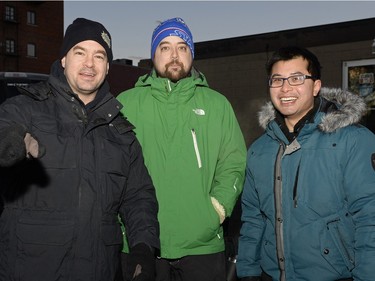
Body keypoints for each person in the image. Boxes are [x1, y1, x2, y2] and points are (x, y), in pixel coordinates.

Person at [0, 18, 159, 281]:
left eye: (99, 56)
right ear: (64, 59)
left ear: (107, 67)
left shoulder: (121, 133)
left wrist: (143, 249)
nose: (89, 63)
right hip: (30, 270)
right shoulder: (24, 110)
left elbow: (139, 197)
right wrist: (9, 139)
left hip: (99, 271)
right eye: (80, 52)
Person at [117, 17, 247, 281]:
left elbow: (233, 163)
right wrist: (122, 224)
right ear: (153, 55)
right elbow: (112, 170)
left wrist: (216, 211)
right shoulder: (126, 103)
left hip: (203, 244)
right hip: (141, 245)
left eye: (182, 47)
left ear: (191, 54)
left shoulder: (216, 104)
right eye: (165, 47)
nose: (174, 55)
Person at [236, 46, 375, 281]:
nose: (285, 88)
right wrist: (248, 271)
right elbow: (253, 219)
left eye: (297, 78)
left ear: (316, 86)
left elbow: (370, 217)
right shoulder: (260, 150)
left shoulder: (354, 140)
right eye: (277, 80)